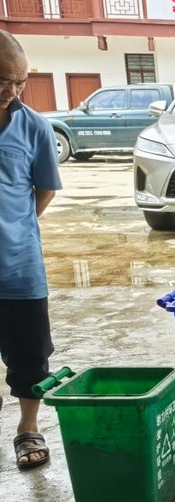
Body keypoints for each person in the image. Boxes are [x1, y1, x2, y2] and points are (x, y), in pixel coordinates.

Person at [0, 31, 62, 470]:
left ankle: (27, 428)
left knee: (30, 354)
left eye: (19, 81)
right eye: (3, 80)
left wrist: (16, 228)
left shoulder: (35, 127)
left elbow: (44, 190)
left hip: (18, 267)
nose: (12, 91)